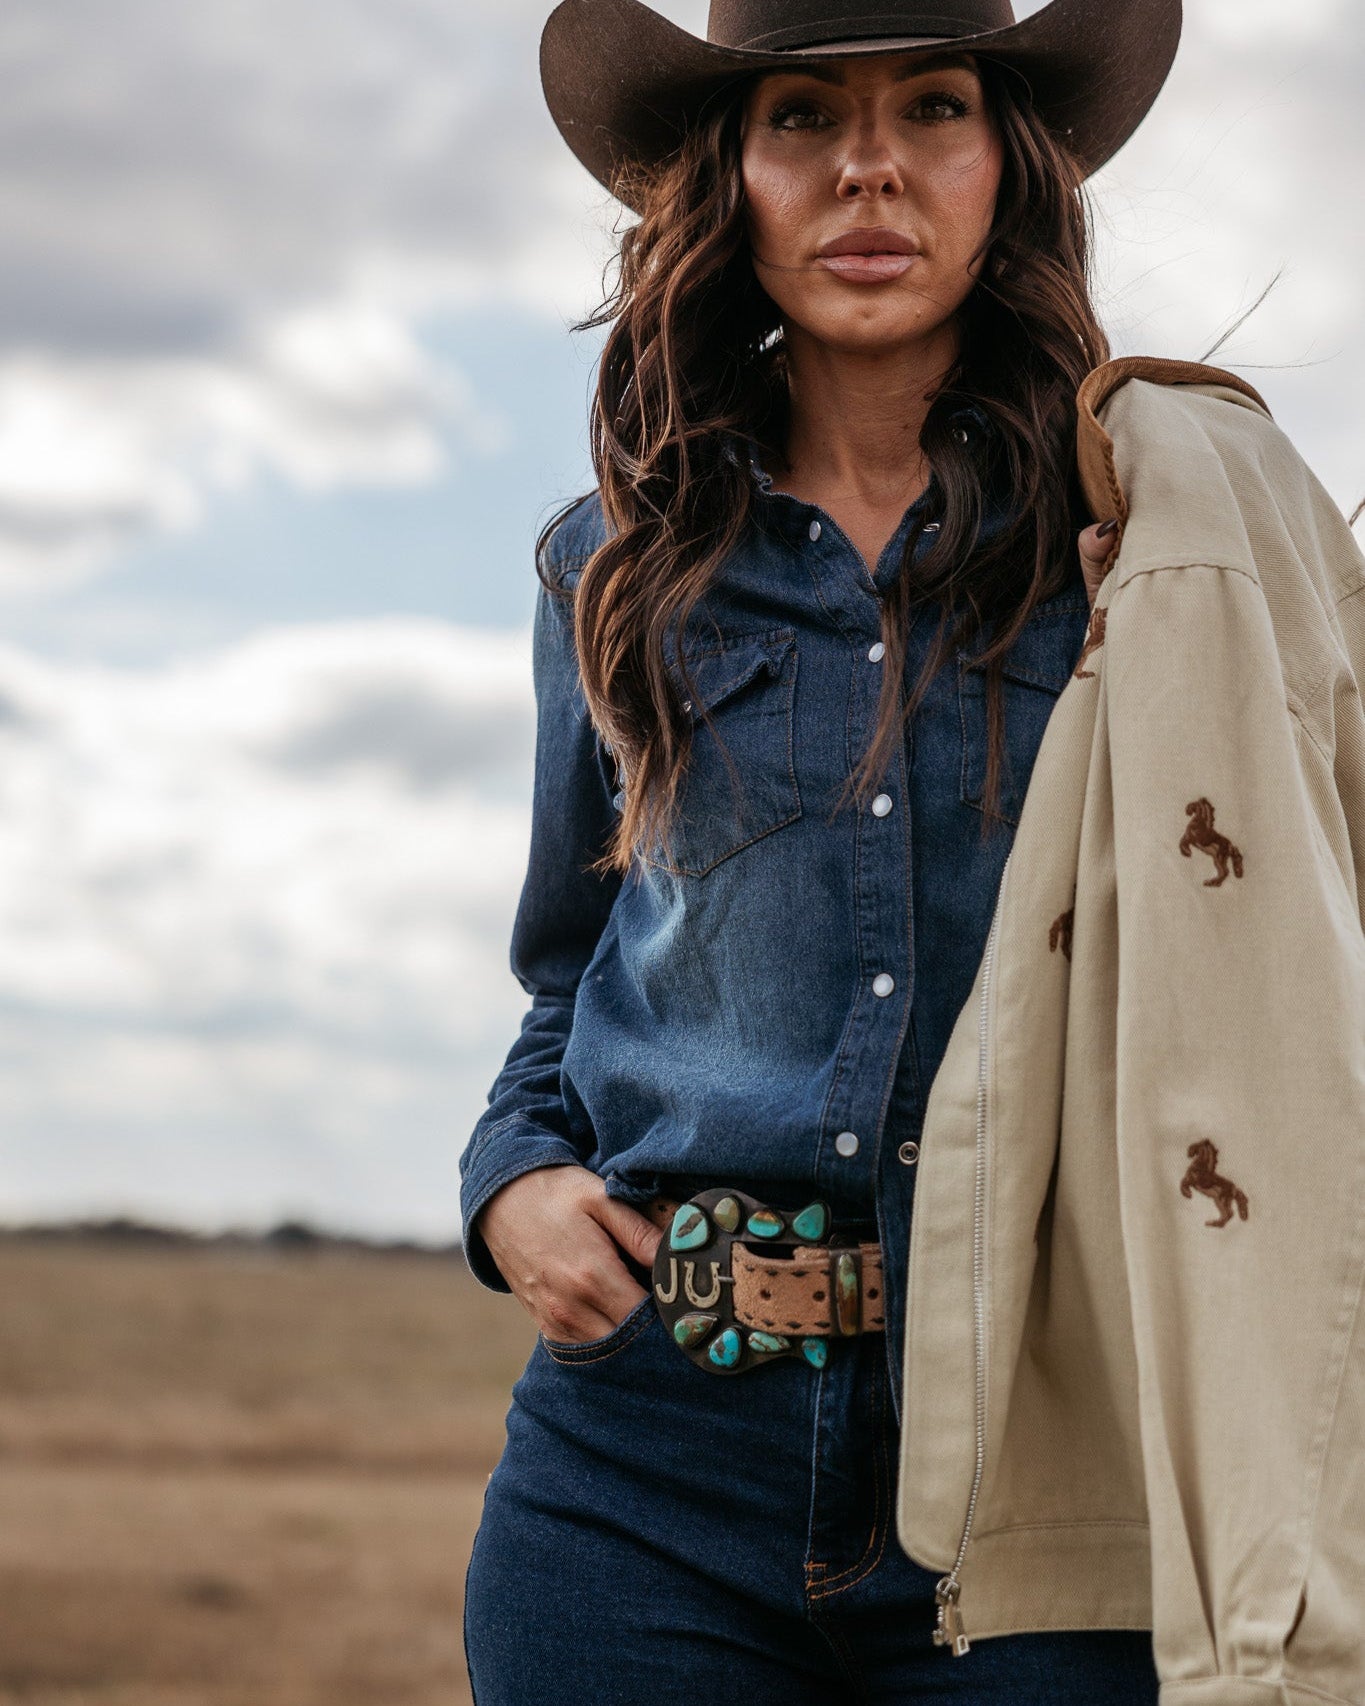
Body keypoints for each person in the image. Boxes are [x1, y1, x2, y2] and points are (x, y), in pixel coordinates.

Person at [460, 0, 1188, 1699]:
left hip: (1041, 1474)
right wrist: (509, 1180)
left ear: (1007, 166)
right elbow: (574, 969)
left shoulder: (1144, 546)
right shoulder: (612, 563)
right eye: (802, 117)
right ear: (734, 178)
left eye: (931, 106)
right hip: (639, 1471)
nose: (869, 167)